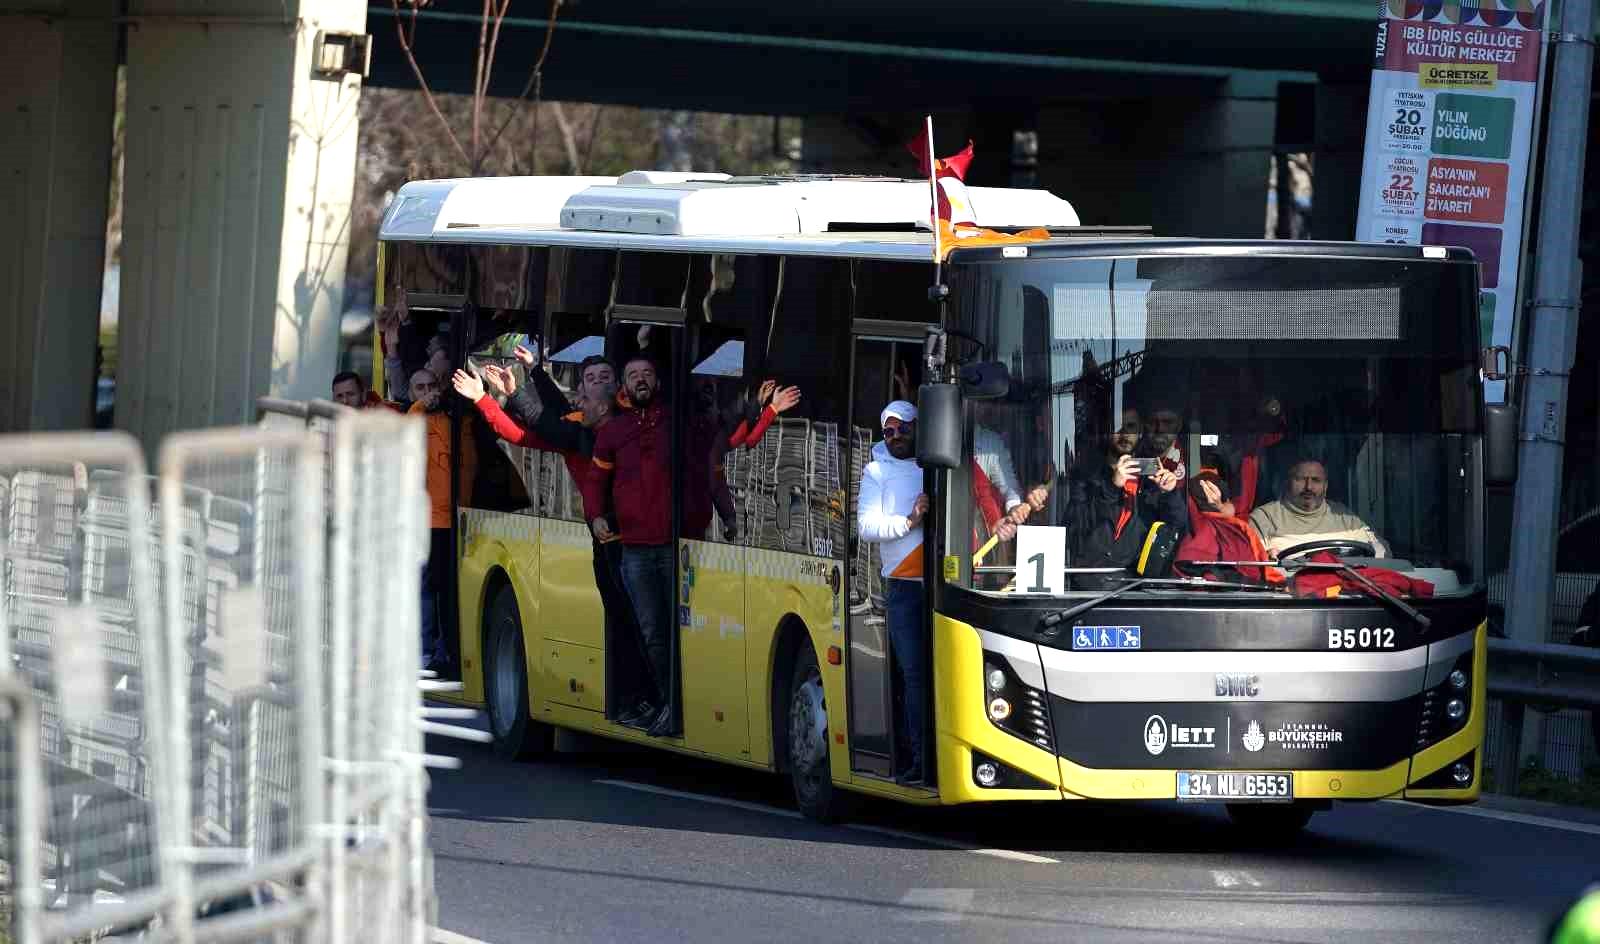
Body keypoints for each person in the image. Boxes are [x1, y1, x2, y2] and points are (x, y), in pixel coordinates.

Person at [584, 356, 677, 737]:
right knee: (652, 632)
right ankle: (667, 701)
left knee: (677, 633)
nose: (641, 380)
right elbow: (594, 485)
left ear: (657, 381)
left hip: (675, 547)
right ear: (624, 385)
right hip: (635, 550)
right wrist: (596, 518)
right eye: (633, 374)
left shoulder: (675, 423)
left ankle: (676, 704)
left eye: (647, 374)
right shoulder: (612, 432)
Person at [856, 400, 930, 781]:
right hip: (904, 587)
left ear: (921, 426)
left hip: (948, 586)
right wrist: (909, 522)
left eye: (903, 429)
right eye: (889, 431)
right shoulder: (876, 471)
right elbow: (866, 527)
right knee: (915, 675)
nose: (897, 437)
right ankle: (919, 759)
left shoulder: (937, 461)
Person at [1064, 406, 1185, 587]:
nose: (1124, 433)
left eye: (1131, 427)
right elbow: (1074, 527)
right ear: (1107, 431)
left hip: (1135, 587)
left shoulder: (1151, 475)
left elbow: (1177, 529)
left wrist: (1170, 493)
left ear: (1140, 433)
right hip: (1088, 586)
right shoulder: (1087, 475)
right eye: (1118, 426)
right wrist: (1112, 487)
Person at [407, 368, 477, 674]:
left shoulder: (455, 419)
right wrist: (423, 405)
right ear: (411, 394)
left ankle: (448, 650)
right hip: (430, 520)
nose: (427, 392)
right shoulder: (415, 418)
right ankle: (434, 649)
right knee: (433, 588)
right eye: (419, 388)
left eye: (431, 386)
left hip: (461, 518)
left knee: (452, 589)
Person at [1249, 459, 1388, 558]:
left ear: (1325, 487)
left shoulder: (1345, 518)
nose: (1308, 487)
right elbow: (1253, 565)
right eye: (1301, 479)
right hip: (1289, 596)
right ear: (1287, 483)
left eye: (1316, 480)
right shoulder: (1264, 518)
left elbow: (1383, 552)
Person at [331, 370, 401, 411]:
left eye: (350, 394)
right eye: (339, 396)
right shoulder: (327, 421)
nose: (345, 401)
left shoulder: (385, 414)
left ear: (363, 394)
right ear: (333, 399)